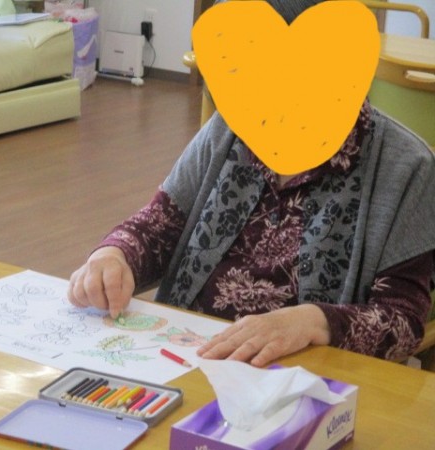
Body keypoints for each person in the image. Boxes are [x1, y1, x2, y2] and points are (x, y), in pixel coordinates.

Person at [68, 0, 435, 367]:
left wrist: (313, 322)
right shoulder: (230, 129)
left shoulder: (405, 165)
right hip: (188, 355)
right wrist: (114, 255)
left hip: (304, 376)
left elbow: (402, 322)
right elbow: (159, 226)